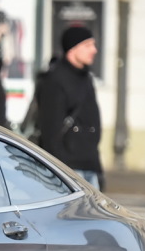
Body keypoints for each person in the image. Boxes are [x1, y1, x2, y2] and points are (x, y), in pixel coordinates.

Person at [36, 26, 103, 190]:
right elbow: (50, 130)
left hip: (90, 165)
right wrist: (60, 170)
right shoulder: (55, 79)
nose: (94, 50)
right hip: (68, 169)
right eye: (88, 45)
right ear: (73, 48)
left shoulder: (86, 77)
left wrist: (98, 167)